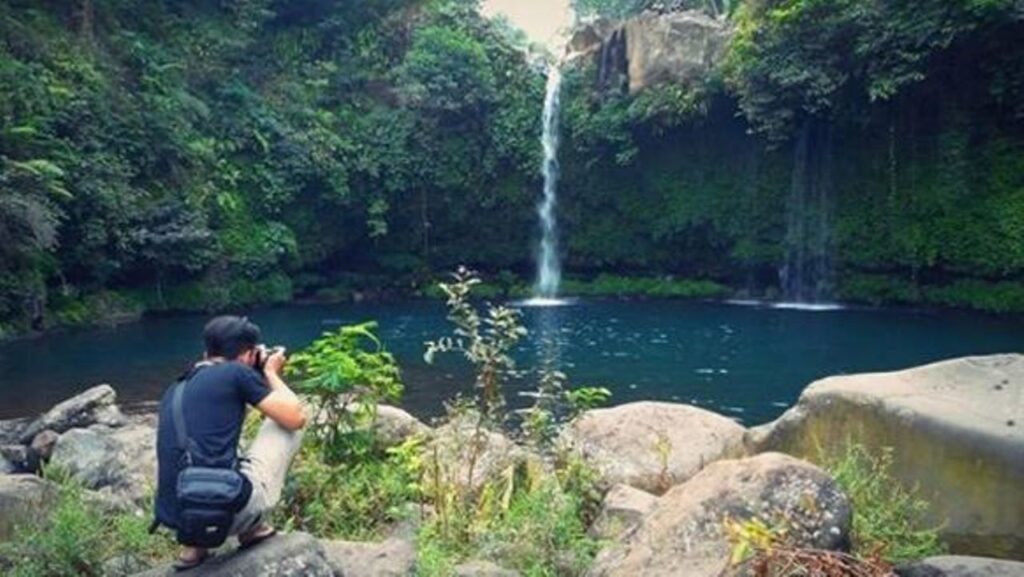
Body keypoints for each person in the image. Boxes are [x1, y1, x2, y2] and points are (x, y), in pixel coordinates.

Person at [154, 315, 307, 570]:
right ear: (248, 355)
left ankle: (194, 548)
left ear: (207, 352)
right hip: (225, 511)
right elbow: (294, 417)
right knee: (290, 420)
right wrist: (270, 372)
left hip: (180, 519)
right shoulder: (236, 372)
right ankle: (251, 526)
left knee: (209, 452)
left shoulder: (176, 387)